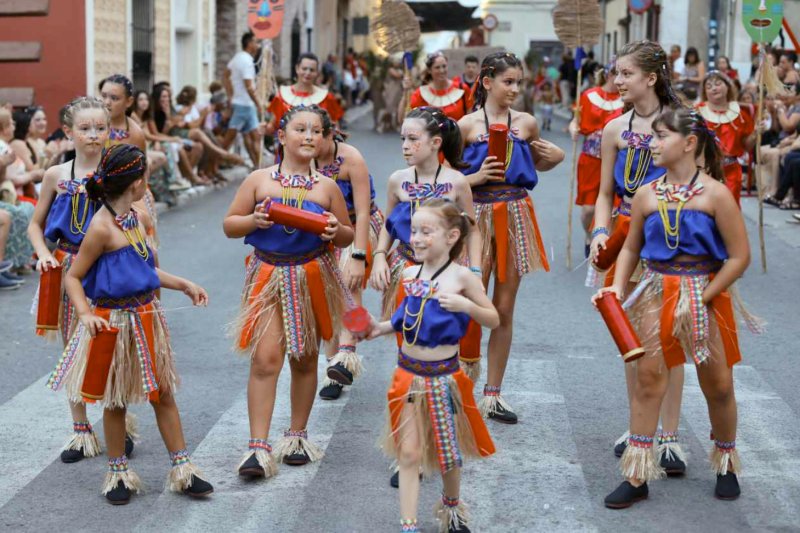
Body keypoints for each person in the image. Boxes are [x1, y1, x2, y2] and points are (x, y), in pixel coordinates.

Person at [593, 107, 759, 508]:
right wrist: (614, 289)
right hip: (656, 289)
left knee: (717, 384)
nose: (652, 143)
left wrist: (700, 297)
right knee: (649, 380)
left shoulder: (716, 194)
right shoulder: (647, 194)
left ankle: (726, 462)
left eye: (661, 136)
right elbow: (632, 246)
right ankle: (637, 474)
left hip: (706, 291)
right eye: (652, 136)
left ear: (689, 144)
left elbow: (739, 257)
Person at [46, 143, 213, 504]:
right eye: (146, 176)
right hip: (113, 323)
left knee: (162, 393)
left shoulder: (135, 216)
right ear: (137, 183)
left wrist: (183, 283)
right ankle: (118, 472)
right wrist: (86, 314)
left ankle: (183, 468)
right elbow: (73, 277)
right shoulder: (101, 228)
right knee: (116, 400)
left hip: (146, 317)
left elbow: (145, 269)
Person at [224, 105, 353, 479]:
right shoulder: (258, 180)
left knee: (304, 358)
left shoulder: (327, 186)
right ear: (282, 136)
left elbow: (346, 232)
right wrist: (254, 220)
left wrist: (333, 230)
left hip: (312, 273)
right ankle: (258, 446)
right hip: (267, 275)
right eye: (300, 129)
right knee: (265, 359)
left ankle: (296, 436)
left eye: (316, 130)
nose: (309, 136)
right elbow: (230, 225)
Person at [366, 198, 499, 533]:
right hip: (408, 376)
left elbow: (494, 319)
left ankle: (452, 510)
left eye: (427, 231)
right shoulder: (409, 273)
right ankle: (408, 525)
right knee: (408, 454)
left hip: (444, 379)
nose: (417, 238)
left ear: (452, 237)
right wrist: (378, 328)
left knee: (449, 455)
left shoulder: (463, 278)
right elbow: (404, 318)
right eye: (414, 231)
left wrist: (465, 305)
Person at [589, 40, 686, 471]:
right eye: (615, 73)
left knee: (669, 337)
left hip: (671, 235)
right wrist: (600, 229)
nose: (616, 81)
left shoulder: (681, 125)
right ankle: (637, 424)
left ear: (650, 77)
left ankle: (669, 436)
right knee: (630, 340)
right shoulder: (613, 129)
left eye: (625, 74)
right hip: (626, 238)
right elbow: (605, 192)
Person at [27, 96, 140, 463]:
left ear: (109, 130)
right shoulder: (56, 176)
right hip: (67, 270)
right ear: (69, 131)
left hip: (108, 269)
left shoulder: (116, 175)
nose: (93, 135)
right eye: (85, 128)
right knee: (72, 348)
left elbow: (134, 223)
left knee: (110, 347)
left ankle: (117, 423)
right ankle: (80, 431)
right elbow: (35, 224)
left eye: (100, 128)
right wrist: (44, 254)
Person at [458, 51, 565, 425]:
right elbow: (445, 180)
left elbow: (538, 163)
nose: (515, 89)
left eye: (518, 82)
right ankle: (461, 387)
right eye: (508, 82)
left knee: (504, 308)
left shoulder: (527, 123)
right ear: (487, 83)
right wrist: (475, 177)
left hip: (515, 213)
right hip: (476, 217)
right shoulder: (466, 126)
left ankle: (493, 394)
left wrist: (558, 157)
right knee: (471, 300)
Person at [311, 112, 385, 401]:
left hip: (358, 227)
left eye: (317, 133)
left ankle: (345, 357)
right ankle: (335, 365)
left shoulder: (351, 158)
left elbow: (364, 212)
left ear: (331, 134)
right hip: (323, 230)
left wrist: (357, 253)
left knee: (349, 284)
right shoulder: (303, 157)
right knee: (329, 296)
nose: (310, 139)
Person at [569, 62, 623, 256]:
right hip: (591, 160)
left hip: (617, 159)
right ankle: (589, 234)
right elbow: (576, 120)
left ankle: (609, 242)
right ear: (608, 74)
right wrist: (573, 127)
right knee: (588, 210)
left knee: (616, 207)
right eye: (616, 73)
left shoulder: (627, 99)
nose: (619, 79)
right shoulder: (589, 95)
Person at [696, 71, 756, 205]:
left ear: (728, 86)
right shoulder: (696, 112)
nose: (714, 88)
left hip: (731, 170)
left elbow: (747, 146)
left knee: (730, 208)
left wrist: (756, 133)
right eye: (709, 86)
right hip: (705, 170)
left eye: (718, 84)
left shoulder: (741, 114)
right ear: (705, 92)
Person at [267, 53, 345, 134]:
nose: (307, 73)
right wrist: (264, 129)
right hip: (287, 146)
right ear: (297, 69)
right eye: (304, 69)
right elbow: (272, 126)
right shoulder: (282, 96)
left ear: (317, 73)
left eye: (312, 70)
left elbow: (335, 128)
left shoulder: (326, 98)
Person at [0, 109, 36, 279]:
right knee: (16, 214)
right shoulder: (11, 146)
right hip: (7, 194)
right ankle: (9, 264)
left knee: (28, 208)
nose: (14, 126)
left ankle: (19, 262)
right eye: (10, 123)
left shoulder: (6, 146)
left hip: (12, 194)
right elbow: (6, 179)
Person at [223, 31, 263, 166]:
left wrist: (231, 95)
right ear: (249, 44)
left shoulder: (237, 57)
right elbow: (249, 86)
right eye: (256, 42)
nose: (258, 46)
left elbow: (225, 75)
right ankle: (210, 168)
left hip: (241, 103)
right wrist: (258, 104)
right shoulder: (247, 61)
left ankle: (257, 168)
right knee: (230, 140)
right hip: (246, 104)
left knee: (251, 136)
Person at [404, 52, 473, 122]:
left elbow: (470, 119)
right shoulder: (420, 94)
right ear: (429, 70)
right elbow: (404, 119)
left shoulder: (462, 89)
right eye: (437, 67)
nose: (442, 70)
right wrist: (405, 91)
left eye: (444, 66)